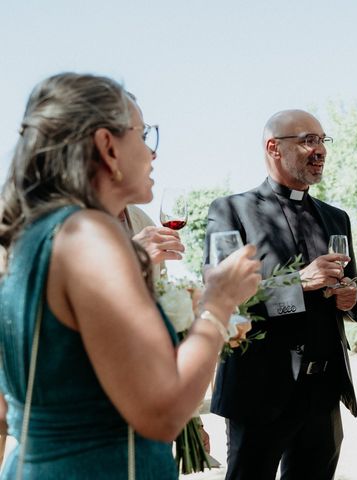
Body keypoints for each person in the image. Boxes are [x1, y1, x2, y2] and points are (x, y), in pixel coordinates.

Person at [0, 72, 261, 479]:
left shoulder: (27, 238)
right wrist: (218, 304)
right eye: (144, 136)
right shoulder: (91, 233)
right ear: (107, 146)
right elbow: (162, 414)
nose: (152, 153)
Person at [204, 109, 357, 480]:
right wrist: (297, 283)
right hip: (258, 393)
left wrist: (352, 299)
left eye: (323, 140)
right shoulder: (231, 211)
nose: (320, 149)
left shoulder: (337, 218)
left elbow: (353, 292)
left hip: (324, 395)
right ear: (273, 147)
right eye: (308, 140)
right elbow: (223, 302)